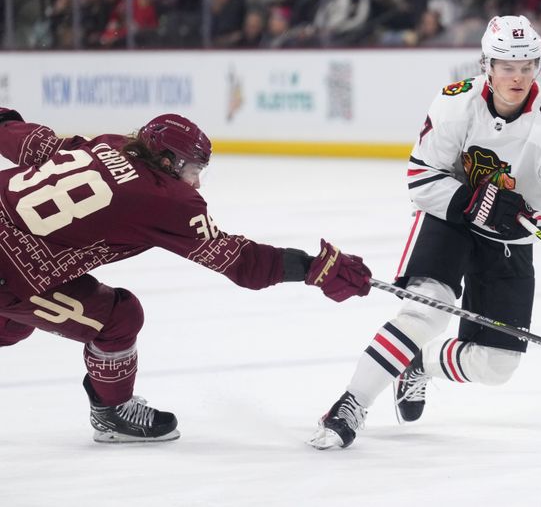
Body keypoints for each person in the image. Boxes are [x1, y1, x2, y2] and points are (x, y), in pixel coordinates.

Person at [309, 15, 541, 449]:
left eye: (527, 65)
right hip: (449, 220)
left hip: (511, 238)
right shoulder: (455, 103)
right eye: (507, 66)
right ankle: (350, 403)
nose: (518, 76)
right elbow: (421, 177)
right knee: (427, 310)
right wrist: (476, 203)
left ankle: (415, 362)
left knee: (497, 365)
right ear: (486, 65)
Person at [0, 108, 371, 443]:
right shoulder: (168, 201)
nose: (196, 182)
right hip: (9, 275)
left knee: (13, 326)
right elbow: (241, 262)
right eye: (193, 169)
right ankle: (113, 412)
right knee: (118, 317)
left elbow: (31, 141)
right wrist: (313, 268)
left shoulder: (106, 145)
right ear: (167, 160)